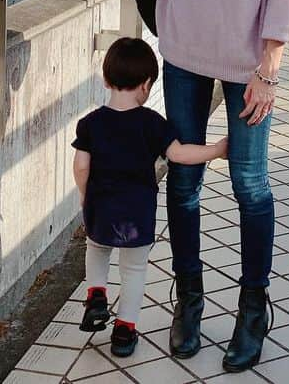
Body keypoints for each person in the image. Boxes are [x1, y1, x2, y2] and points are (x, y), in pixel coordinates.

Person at [128, 0, 289, 372]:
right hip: (183, 51)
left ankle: (252, 308)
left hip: (247, 62)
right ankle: (190, 299)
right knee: (182, 179)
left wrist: (269, 69)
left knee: (250, 184)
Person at [73, 38, 227, 358]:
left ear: (105, 80)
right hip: (137, 213)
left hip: (100, 206)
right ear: (146, 85)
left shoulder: (90, 124)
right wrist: (216, 150)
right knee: (133, 270)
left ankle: (97, 294)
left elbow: (81, 165)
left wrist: (85, 198)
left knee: (96, 249)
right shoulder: (152, 124)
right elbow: (180, 154)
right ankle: (124, 332)